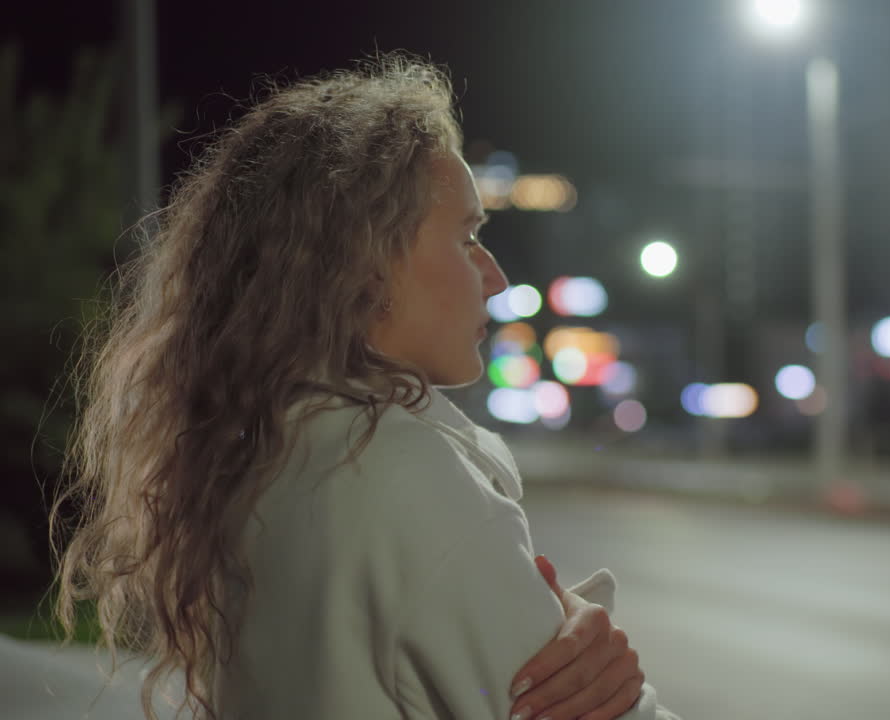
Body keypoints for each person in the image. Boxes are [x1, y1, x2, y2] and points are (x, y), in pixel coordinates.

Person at [49, 53, 680, 720]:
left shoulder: (264, 454)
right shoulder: (399, 473)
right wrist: (606, 675)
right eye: (467, 237)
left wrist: (556, 618)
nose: (492, 277)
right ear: (365, 264)